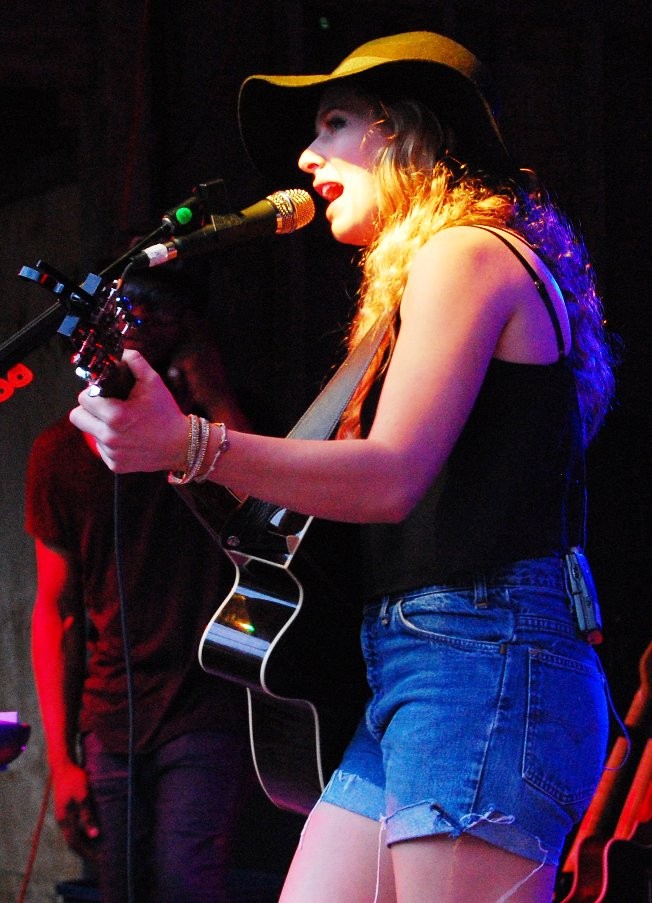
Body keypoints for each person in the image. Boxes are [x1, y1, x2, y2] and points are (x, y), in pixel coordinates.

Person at [68, 31, 618, 903]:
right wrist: (182, 448)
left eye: (332, 123)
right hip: (425, 666)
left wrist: (191, 445)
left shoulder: (466, 252)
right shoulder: (429, 274)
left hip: (486, 663)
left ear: (403, 133)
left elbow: (391, 475)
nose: (304, 154)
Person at [27, 268, 253, 903]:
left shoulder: (228, 432)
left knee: (187, 885)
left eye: (162, 311)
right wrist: (63, 758)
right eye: (129, 309)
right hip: (110, 716)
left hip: (208, 703)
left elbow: (275, 521)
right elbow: (56, 611)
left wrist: (216, 399)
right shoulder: (60, 452)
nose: (141, 323)